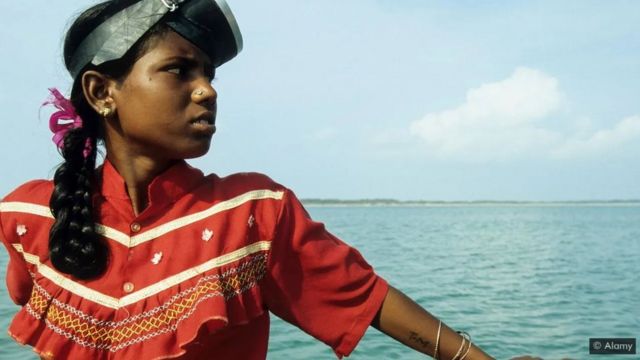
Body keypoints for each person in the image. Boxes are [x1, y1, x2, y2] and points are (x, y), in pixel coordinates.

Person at [0, 1, 495, 359]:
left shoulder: (251, 214)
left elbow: (364, 296)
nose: (207, 90)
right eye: (178, 70)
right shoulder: (28, 216)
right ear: (101, 91)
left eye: (209, 74)